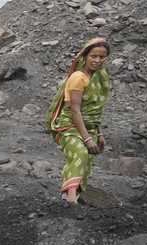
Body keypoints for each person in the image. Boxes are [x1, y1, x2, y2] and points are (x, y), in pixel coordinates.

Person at [45, 38, 112, 203]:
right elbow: (75, 109)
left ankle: (70, 196)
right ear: (85, 56)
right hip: (69, 126)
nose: (97, 61)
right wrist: (88, 139)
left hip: (89, 127)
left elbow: (93, 110)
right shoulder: (78, 77)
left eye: (101, 57)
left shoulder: (99, 77)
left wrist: (99, 133)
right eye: (93, 56)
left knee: (87, 161)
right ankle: (71, 200)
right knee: (80, 153)